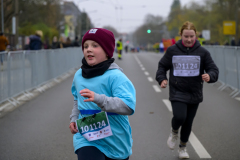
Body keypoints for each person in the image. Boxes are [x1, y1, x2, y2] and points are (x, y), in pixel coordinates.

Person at [69, 28, 136, 160]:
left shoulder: (116, 77)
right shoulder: (79, 76)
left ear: (106, 51)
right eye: (86, 46)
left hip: (116, 140)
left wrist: (99, 99)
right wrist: (73, 118)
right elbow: (77, 100)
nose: (89, 49)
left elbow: (128, 106)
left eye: (95, 45)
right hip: (86, 138)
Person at [155, 21, 219, 159]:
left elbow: (213, 69)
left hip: (194, 92)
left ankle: (182, 148)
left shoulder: (203, 52)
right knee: (180, 116)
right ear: (181, 35)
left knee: (188, 123)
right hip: (177, 91)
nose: (189, 39)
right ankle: (174, 132)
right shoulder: (172, 50)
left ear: (196, 35)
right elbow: (162, 66)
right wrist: (162, 79)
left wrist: (210, 76)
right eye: (186, 36)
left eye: (192, 36)